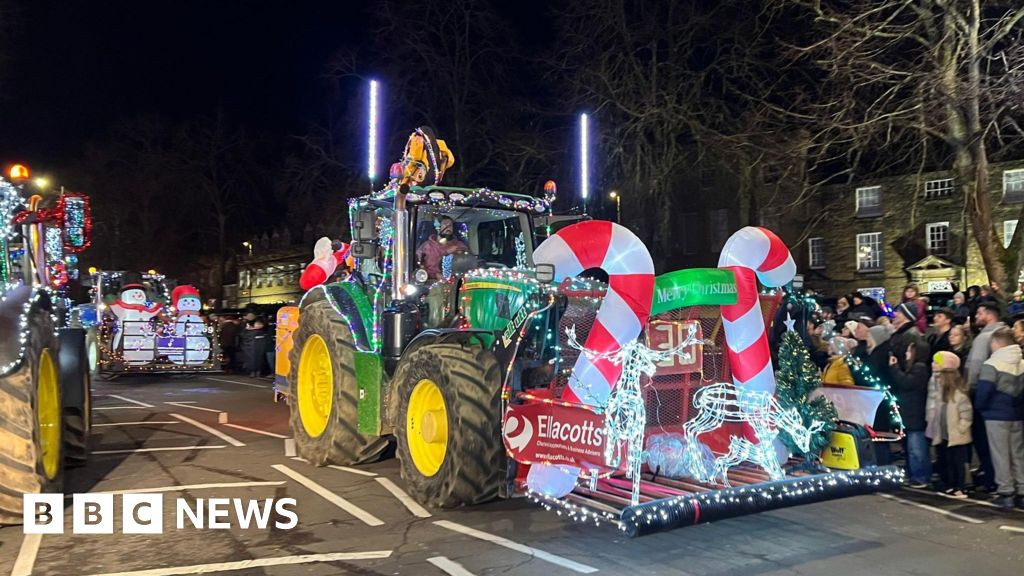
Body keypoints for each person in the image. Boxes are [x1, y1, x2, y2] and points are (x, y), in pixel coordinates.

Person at [974, 327, 1024, 508]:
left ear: (996, 343)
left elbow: (984, 391)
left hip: (996, 415)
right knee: (1018, 454)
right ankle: (1022, 490)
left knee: (1000, 454)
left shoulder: (992, 364)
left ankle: (1006, 492)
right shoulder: (1021, 362)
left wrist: (980, 407)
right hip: (1017, 415)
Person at [966, 302, 1005, 491]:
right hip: (1002, 395)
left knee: (983, 439)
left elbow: (975, 365)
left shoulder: (985, 337)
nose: (975, 316)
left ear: (989, 315)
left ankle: (990, 479)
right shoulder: (1006, 332)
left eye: (979, 312)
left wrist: (969, 388)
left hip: (982, 391)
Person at [927, 351, 973, 498]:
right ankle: (952, 485)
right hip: (946, 436)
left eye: (941, 378)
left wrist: (960, 429)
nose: (938, 380)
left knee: (959, 464)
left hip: (957, 437)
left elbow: (966, 416)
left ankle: (961, 487)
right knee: (949, 462)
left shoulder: (959, 396)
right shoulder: (942, 396)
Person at [890, 340, 932, 488]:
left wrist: (894, 368)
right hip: (911, 414)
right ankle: (915, 475)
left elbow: (906, 383)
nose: (906, 354)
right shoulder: (914, 368)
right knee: (912, 448)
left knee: (917, 449)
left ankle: (921, 477)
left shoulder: (919, 369)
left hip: (915, 414)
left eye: (909, 351)